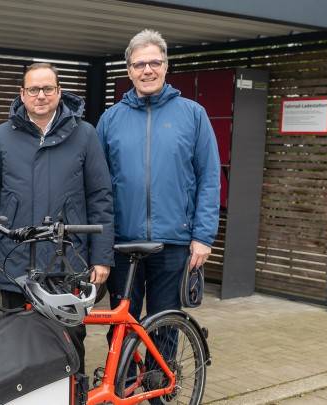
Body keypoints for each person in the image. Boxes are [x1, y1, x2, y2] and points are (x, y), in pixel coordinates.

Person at [0, 63, 114, 372]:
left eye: (48, 88)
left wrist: (102, 256)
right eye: (33, 89)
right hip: (16, 258)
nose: (41, 95)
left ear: (59, 92)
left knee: (69, 340)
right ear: (22, 94)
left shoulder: (85, 134)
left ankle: (73, 396)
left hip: (67, 259)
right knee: (17, 342)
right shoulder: (1, 136)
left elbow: (100, 197)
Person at [97, 29, 220, 324]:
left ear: (166, 66)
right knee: (121, 326)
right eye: (139, 64)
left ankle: (160, 373)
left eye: (154, 62)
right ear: (129, 70)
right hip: (123, 243)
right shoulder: (110, 119)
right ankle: (127, 373)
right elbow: (97, 187)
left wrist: (202, 237)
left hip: (174, 243)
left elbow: (209, 178)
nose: (147, 70)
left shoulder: (193, 114)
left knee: (165, 325)